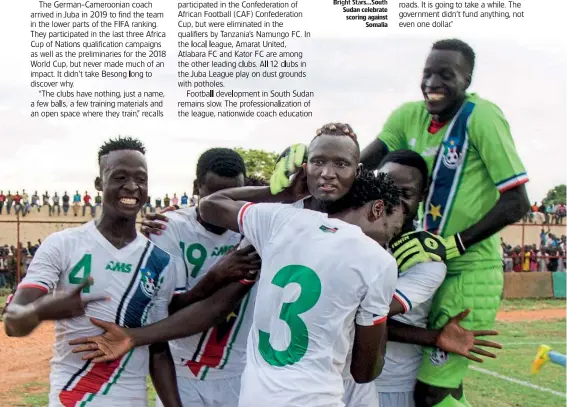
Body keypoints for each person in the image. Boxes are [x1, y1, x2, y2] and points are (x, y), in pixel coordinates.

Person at [359, 39, 530, 406]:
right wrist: (317, 163)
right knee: (439, 381)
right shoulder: (408, 115)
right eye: (427, 73)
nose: (432, 83)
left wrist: (453, 245)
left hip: (468, 271)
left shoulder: (482, 116)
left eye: (446, 75)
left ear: (467, 79)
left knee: (432, 393)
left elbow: (517, 202)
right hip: (422, 262)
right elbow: (365, 162)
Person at [198, 169, 404, 407]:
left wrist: (281, 193)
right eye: (392, 230)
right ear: (377, 209)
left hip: (254, 397)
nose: (387, 241)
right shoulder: (377, 260)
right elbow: (365, 372)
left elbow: (211, 204)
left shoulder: (283, 220)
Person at [3, 137, 184, 407]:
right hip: (72, 398)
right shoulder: (63, 244)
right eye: (120, 177)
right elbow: (12, 323)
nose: (132, 187)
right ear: (99, 183)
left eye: (141, 179)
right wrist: (42, 310)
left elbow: (158, 350)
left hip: (131, 399)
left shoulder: (161, 261)